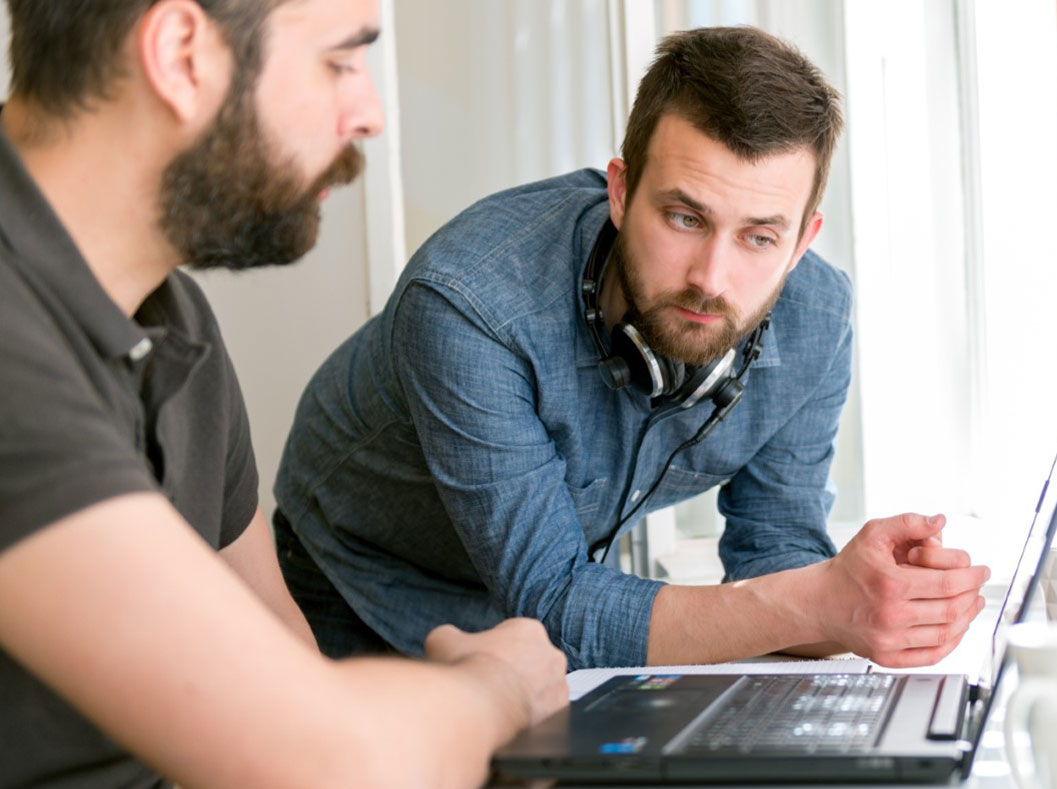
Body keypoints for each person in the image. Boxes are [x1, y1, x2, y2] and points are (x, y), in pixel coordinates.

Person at [0, 0, 568, 789]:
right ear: (183, 54)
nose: (372, 114)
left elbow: (286, 689)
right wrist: (496, 689)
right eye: (344, 61)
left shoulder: (172, 325)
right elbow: (327, 766)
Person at [275, 26, 991, 672]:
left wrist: (873, 602)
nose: (711, 280)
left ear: (804, 240)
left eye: (759, 237)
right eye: (685, 217)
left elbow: (777, 558)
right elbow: (551, 601)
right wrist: (817, 604)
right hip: (351, 583)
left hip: (548, 609)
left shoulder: (817, 319)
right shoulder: (470, 304)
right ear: (621, 192)